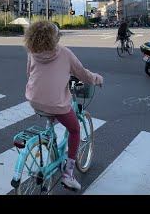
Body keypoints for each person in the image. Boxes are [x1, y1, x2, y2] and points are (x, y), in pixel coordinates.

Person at [23, 20, 104, 191]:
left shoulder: (32, 52)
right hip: (55, 104)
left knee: (51, 109)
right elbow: (84, 75)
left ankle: (50, 142)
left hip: (34, 100)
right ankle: (68, 175)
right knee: (74, 130)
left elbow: (30, 73)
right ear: (54, 38)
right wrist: (97, 79)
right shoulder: (65, 53)